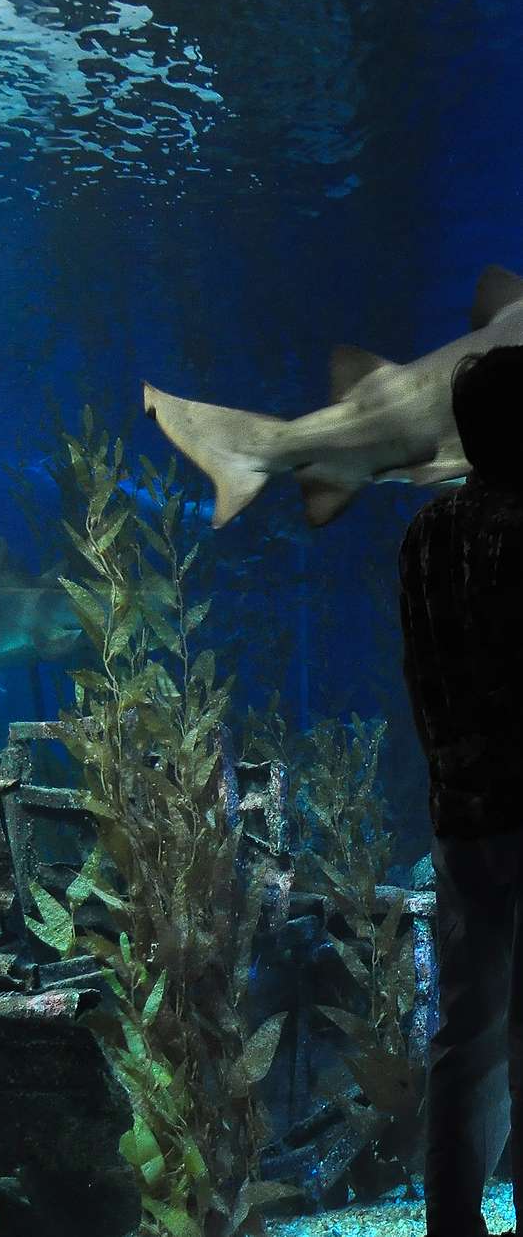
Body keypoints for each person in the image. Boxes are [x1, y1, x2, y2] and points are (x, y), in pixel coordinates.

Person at [399, 345, 523, 1237]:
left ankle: (450, 1220)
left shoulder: (425, 532)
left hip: (461, 812)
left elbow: (420, 669)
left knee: (467, 1029)